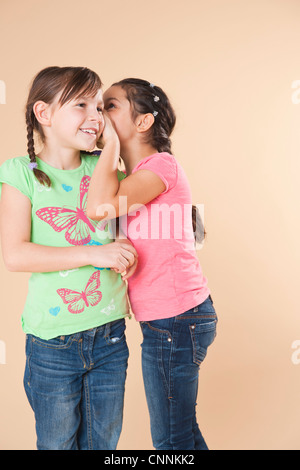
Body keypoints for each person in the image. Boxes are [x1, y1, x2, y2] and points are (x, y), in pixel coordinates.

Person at [0, 67, 138, 450]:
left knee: (103, 443)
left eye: (99, 107)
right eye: (81, 104)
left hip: (110, 334)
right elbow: (14, 254)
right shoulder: (20, 174)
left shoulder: (105, 169)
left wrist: (127, 257)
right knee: (58, 443)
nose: (95, 117)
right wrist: (96, 253)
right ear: (43, 114)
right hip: (52, 343)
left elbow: (123, 238)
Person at [86, 78, 218, 450]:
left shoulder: (161, 166)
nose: (99, 112)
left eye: (109, 105)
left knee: (170, 441)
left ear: (143, 122)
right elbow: (171, 231)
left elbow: (99, 208)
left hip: (176, 320)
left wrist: (110, 145)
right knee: (183, 434)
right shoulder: (131, 176)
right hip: (171, 319)